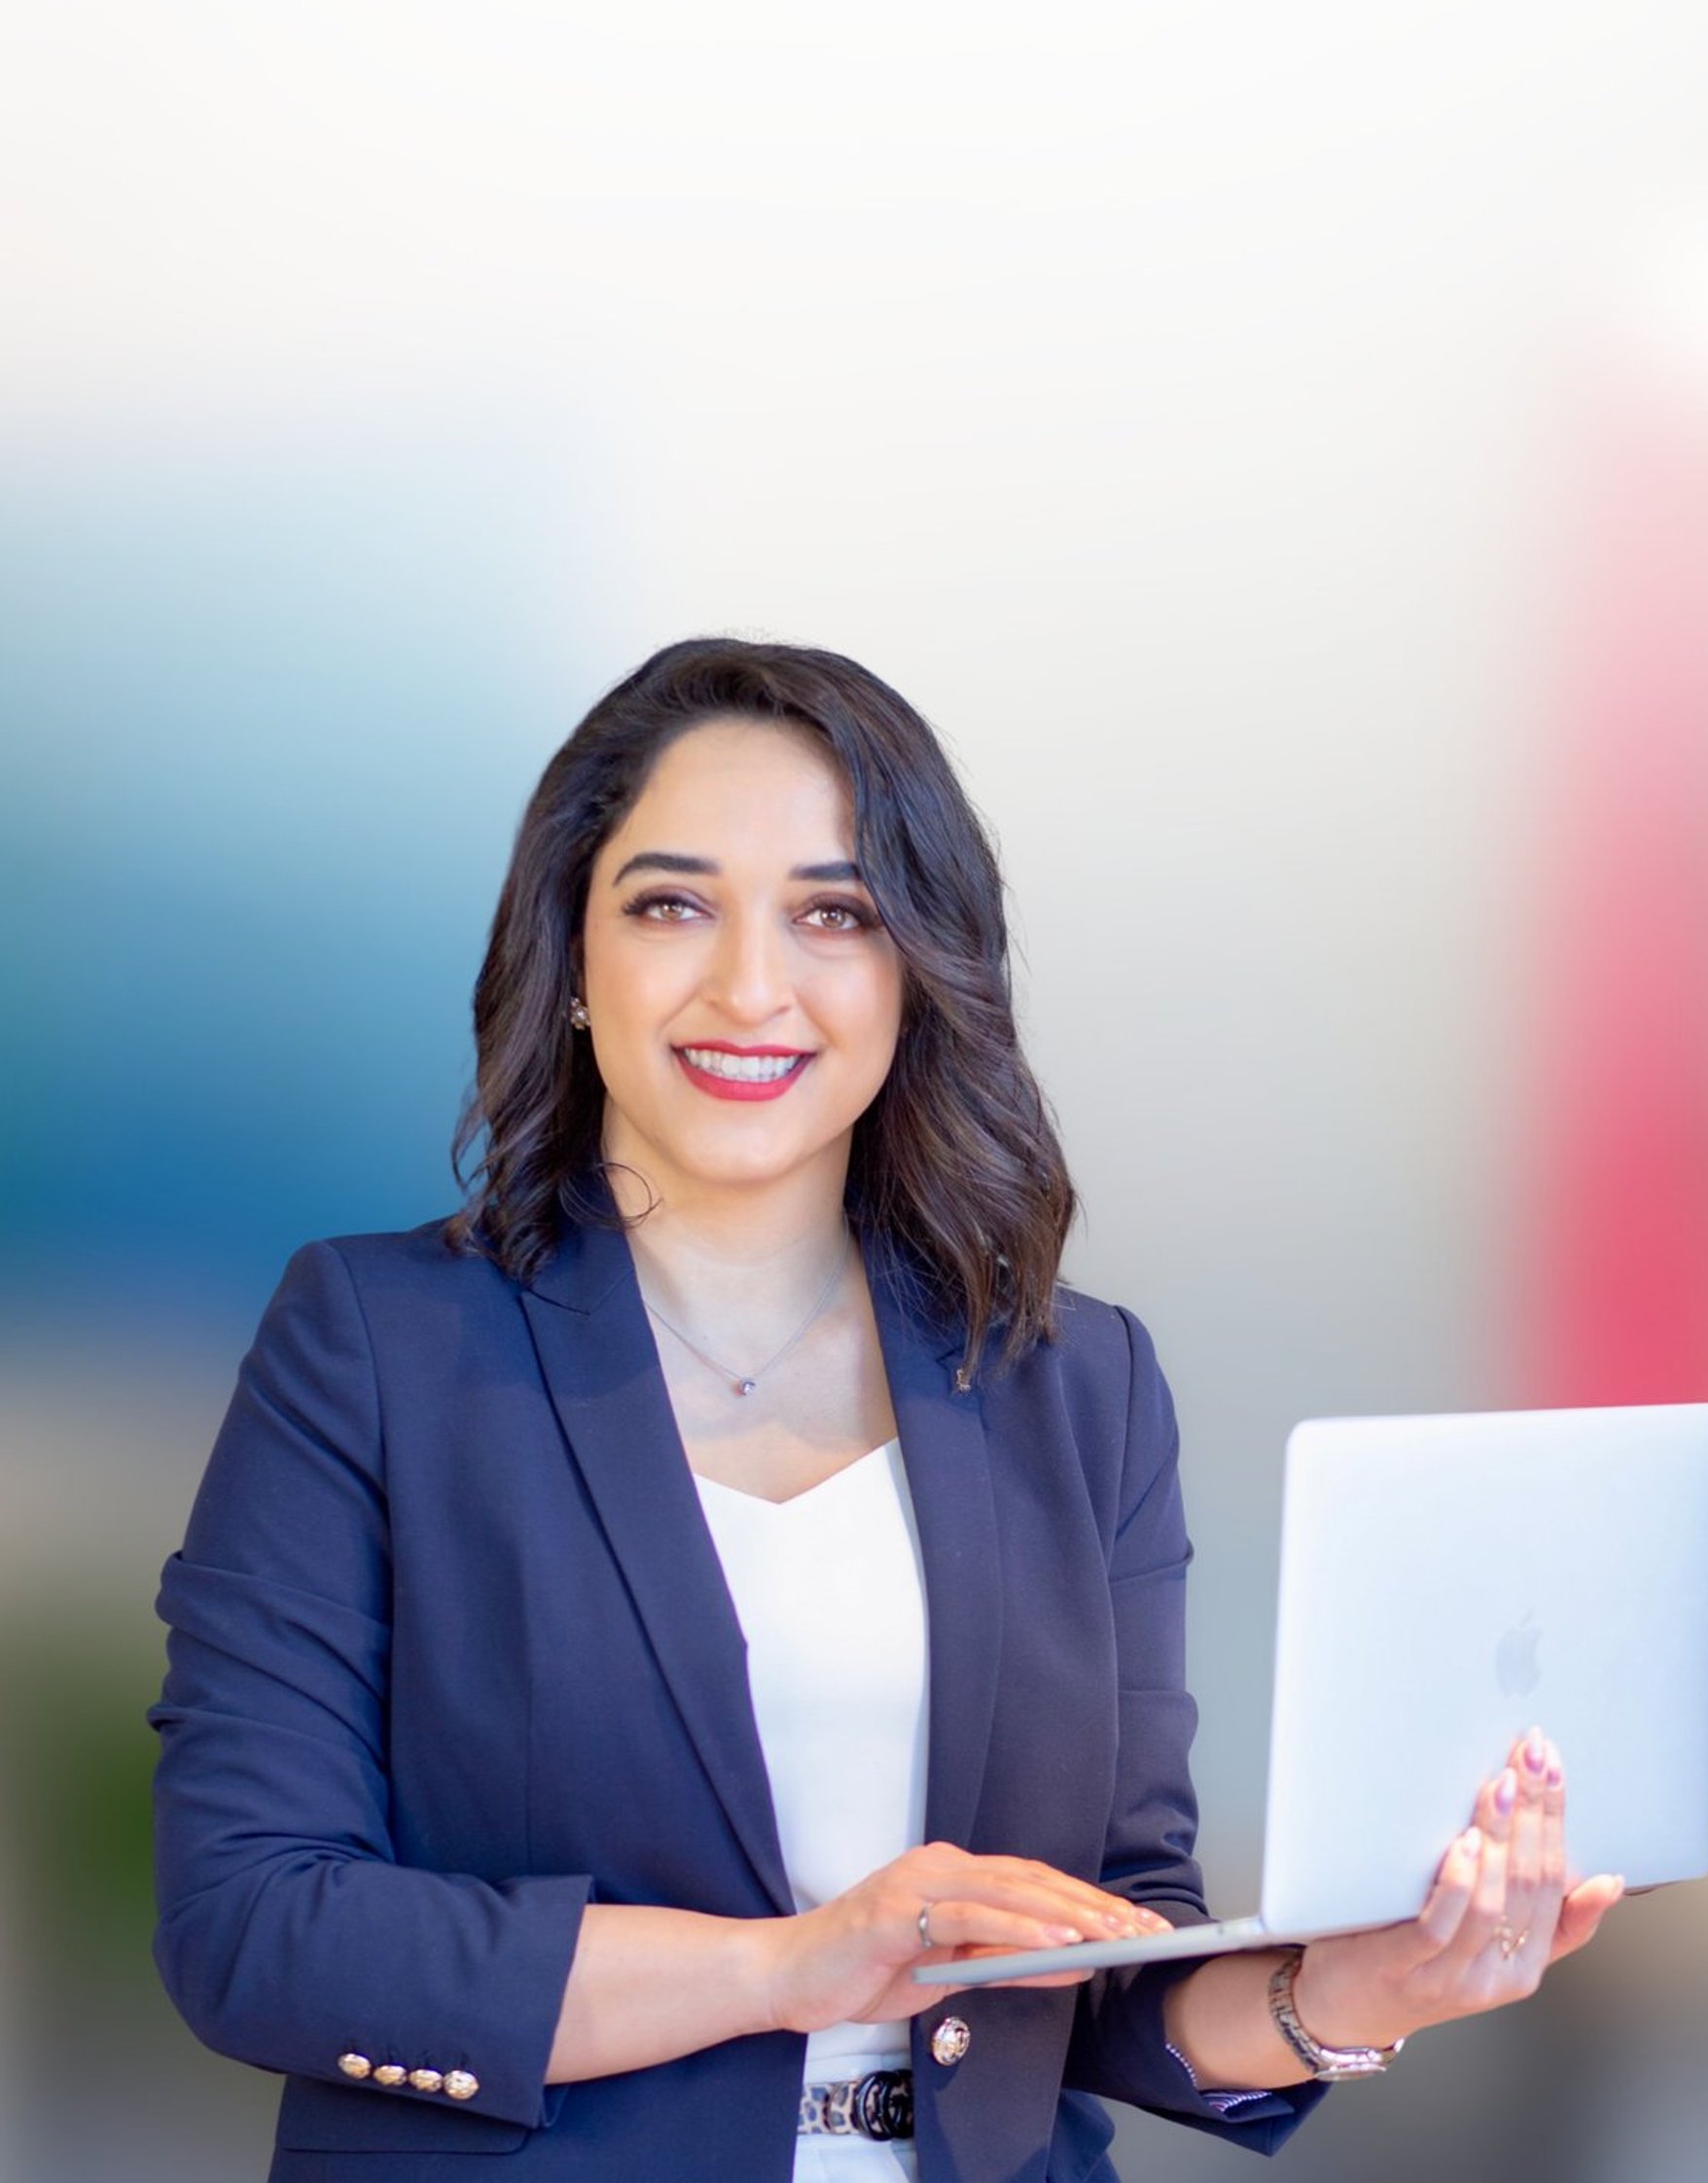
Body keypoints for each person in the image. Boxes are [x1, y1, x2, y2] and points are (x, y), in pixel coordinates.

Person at [151, 639, 1624, 2182]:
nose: (749, 983)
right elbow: (253, 1922)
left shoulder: (1077, 1385)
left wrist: (1351, 1991)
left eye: (833, 911)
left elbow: (1111, 1965)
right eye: (671, 902)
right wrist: (791, 1963)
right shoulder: (378, 1346)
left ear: (920, 969)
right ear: (572, 960)